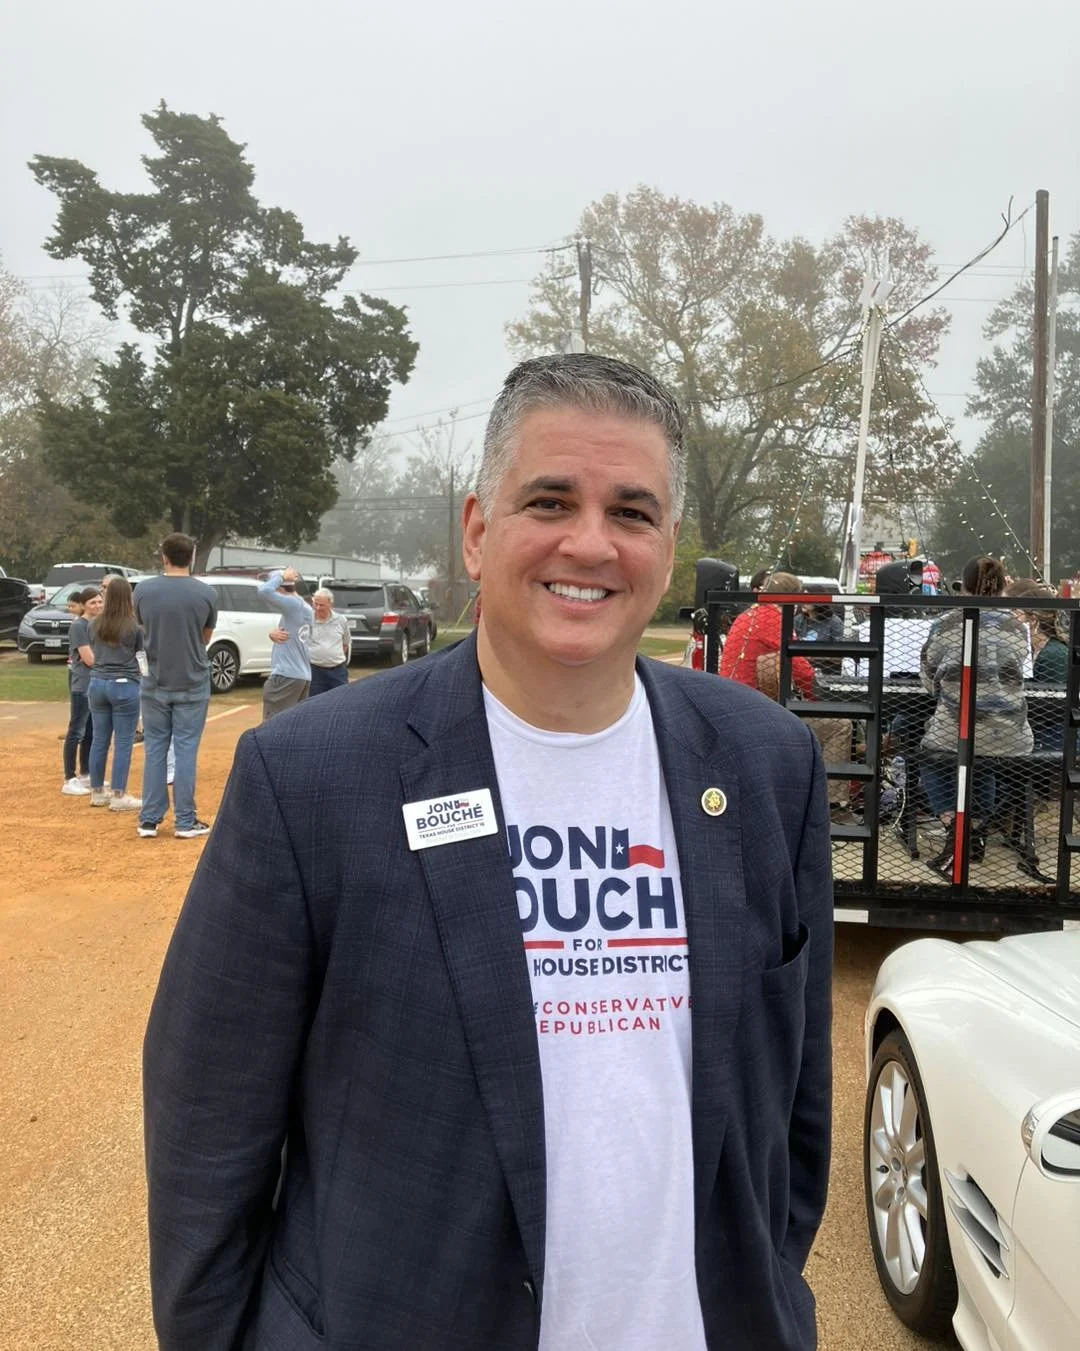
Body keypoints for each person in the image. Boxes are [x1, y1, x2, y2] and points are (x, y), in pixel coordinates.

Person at [144, 353, 833, 1351]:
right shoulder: (312, 778)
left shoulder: (769, 765)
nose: (590, 542)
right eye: (550, 499)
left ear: (668, 545)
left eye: (632, 512)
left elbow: (792, 1116)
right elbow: (207, 1131)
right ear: (478, 530)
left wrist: (768, 1279)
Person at [919, 555, 1033, 871]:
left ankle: (955, 827)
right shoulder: (1017, 627)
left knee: (927, 756)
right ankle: (977, 828)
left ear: (964, 584)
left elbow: (930, 681)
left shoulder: (945, 624)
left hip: (957, 729)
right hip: (1010, 734)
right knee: (983, 762)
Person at [722, 572, 853, 817]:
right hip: (755, 714)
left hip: (735, 707)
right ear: (791, 597)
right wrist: (820, 699)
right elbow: (802, 671)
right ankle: (833, 807)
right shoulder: (774, 618)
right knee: (840, 725)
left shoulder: (746, 615)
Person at [134, 534, 218, 841]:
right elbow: (205, 637)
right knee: (185, 750)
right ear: (192, 557)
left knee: (155, 748)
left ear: (164, 557)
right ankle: (185, 821)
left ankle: (149, 819)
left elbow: (143, 625)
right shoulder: (206, 593)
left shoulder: (143, 590)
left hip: (155, 680)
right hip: (193, 681)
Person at [86, 575, 144, 811]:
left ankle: (97, 792)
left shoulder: (94, 624)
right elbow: (140, 654)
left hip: (97, 682)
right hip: (124, 684)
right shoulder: (133, 626)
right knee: (122, 742)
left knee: (99, 740)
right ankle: (119, 794)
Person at [60, 586, 102, 795]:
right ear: (84, 605)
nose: (97, 605)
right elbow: (89, 659)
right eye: (92, 602)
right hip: (83, 685)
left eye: (99, 601)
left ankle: (86, 774)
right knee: (76, 730)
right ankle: (69, 778)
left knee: (91, 731)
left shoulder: (99, 625)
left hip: (97, 684)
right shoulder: (79, 626)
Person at [258, 566, 313, 719]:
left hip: (285, 676)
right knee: (293, 724)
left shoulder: (292, 605)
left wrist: (282, 575)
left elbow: (263, 592)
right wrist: (272, 634)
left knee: (272, 725)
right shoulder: (305, 607)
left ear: (280, 589)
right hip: (302, 676)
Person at [303, 587, 351, 696]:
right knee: (315, 702)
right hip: (315, 672)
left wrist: (331, 657)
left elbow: (345, 643)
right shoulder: (307, 619)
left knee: (340, 700)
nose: (318, 608)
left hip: (338, 671)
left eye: (322, 605)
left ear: (330, 604)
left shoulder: (341, 620)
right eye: (316, 604)